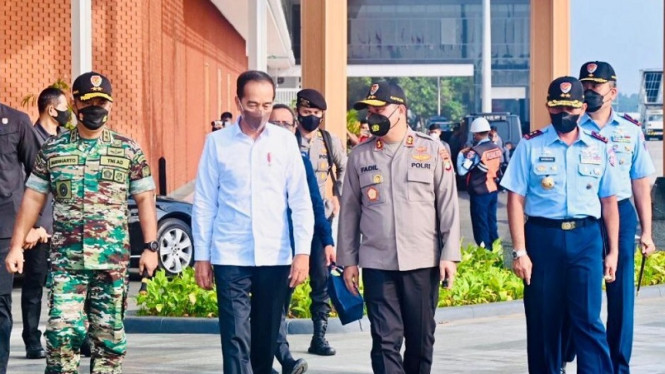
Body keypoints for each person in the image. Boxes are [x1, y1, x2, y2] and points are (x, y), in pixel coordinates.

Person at [4, 71, 159, 373]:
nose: (95, 108)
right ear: (75, 104)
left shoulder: (127, 150)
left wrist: (151, 246)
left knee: (108, 340)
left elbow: (145, 200)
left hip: (111, 262)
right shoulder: (53, 149)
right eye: (89, 102)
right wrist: (15, 247)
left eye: (102, 102)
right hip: (66, 263)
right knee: (61, 335)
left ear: (111, 105)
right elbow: (33, 199)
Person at [192, 70, 314, 374]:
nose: (260, 112)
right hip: (230, 254)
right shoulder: (217, 143)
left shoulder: (285, 143)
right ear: (238, 101)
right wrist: (202, 257)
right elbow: (205, 202)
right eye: (253, 104)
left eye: (267, 105)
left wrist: (302, 253)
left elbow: (300, 201)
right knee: (234, 339)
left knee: (265, 339)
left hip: (275, 256)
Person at [338, 81, 460, 374]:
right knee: (383, 341)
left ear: (400, 110)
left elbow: (448, 205)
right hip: (378, 263)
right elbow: (350, 213)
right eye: (369, 111)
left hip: (421, 261)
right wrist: (348, 262)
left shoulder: (431, 150)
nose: (372, 116)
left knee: (420, 340)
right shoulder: (361, 155)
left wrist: (449, 255)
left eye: (379, 109)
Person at [500, 76, 619, 374]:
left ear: (581, 107)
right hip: (543, 239)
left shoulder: (600, 147)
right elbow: (515, 200)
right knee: (543, 321)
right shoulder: (530, 145)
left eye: (569, 107)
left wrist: (613, 251)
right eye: (556, 108)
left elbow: (609, 203)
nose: (563, 114)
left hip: (586, 239)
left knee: (589, 320)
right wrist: (519, 251)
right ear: (547, 107)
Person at [560, 61, 656, 374]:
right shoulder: (571, 127)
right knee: (575, 291)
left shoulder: (630, 130)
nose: (588, 92)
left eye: (595, 86)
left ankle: (617, 365)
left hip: (622, 214)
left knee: (621, 298)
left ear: (612, 91)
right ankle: (569, 352)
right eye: (584, 85)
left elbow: (640, 183)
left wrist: (647, 231)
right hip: (585, 216)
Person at [269, 103, 336, 374]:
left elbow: (314, 204)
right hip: (274, 244)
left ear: (294, 127)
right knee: (277, 302)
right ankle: (282, 356)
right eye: (275, 123)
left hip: (305, 237)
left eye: (286, 123)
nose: (281, 128)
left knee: (321, 284)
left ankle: (319, 337)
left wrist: (327, 240)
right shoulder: (252, 157)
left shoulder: (301, 160)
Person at [294, 88, 346, 356]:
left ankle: (319, 336)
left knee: (321, 277)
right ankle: (275, 336)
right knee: (284, 278)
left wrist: (337, 196)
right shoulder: (286, 141)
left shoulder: (328, 141)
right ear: (297, 112)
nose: (311, 118)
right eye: (306, 113)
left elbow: (344, 168)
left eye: (316, 114)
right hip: (290, 219)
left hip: (320, 218)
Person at [19, 87, 69, 360]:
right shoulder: (30, 138)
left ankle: (72, 336)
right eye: (64, 107)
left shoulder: (67, 140)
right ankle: (32, 340)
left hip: (66, 227)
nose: (68, 112)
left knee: (68, 286)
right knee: (34, 286)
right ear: (52, 110)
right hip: (40, 230)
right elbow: (27, 187)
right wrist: (35, 226)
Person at [0, 99, 40, 374]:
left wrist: (36, 225)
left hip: (4, 230)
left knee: (0, 304)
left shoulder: (16, 121)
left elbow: (39, 178)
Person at [456, 117, 502, 249]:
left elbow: (461, 171)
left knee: (480, 225)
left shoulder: (475, 152)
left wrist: (460, 155)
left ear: (475, 134)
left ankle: (485, 255)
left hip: (480, 192)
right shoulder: (496, 148)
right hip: (493, 189)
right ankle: (497, 254)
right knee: (492, 223)